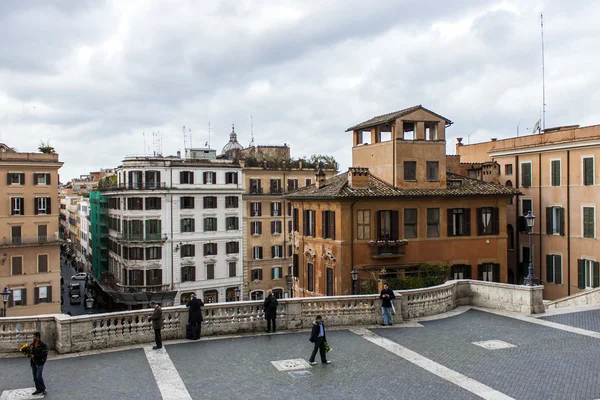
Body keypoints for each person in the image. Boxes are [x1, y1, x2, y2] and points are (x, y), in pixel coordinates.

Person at [29, 331, 48, 396]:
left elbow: (44, 354)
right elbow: (30, 352)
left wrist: (35, 356)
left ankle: (43, 389)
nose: (33, 338)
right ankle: (38, 389)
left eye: (34, 336)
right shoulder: (32, 345)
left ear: (38, 337)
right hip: (33, 362)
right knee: (35, 377)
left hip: (40, 363)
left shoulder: (43, 345)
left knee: (38, 376)